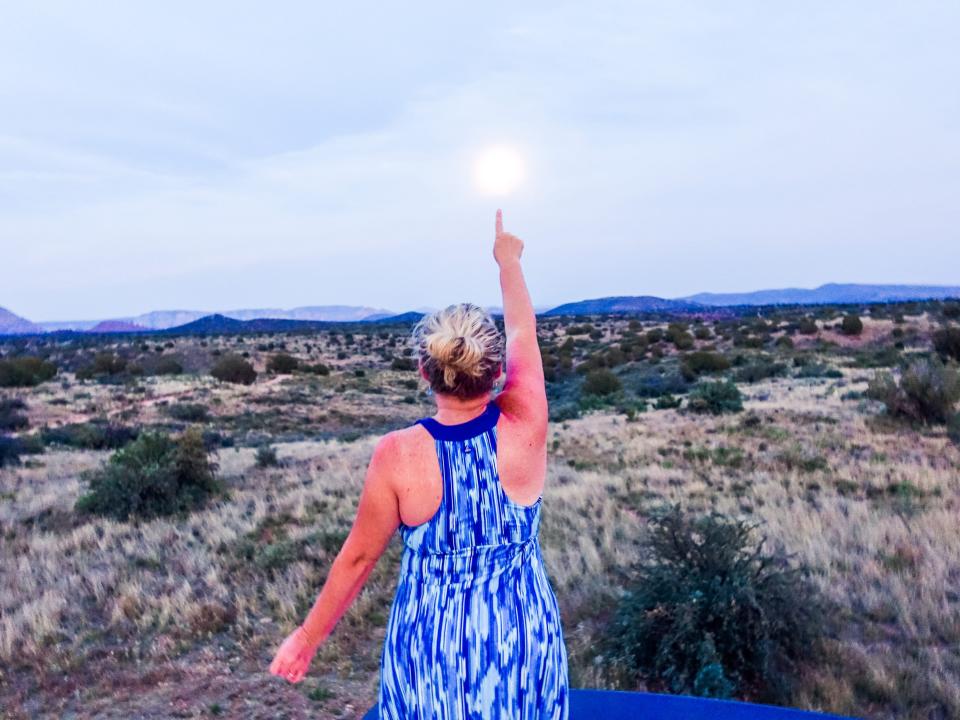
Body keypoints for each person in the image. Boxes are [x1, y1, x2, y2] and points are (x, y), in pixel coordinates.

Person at [269, 209, 569, 718]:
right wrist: (508, 263)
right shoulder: (526, 424)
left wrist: (306, 637)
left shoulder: (398, 455)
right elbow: (523, 331)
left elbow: (359, 561)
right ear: (497, 372)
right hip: (523, 642)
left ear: (422, 372)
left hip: (433, 654)